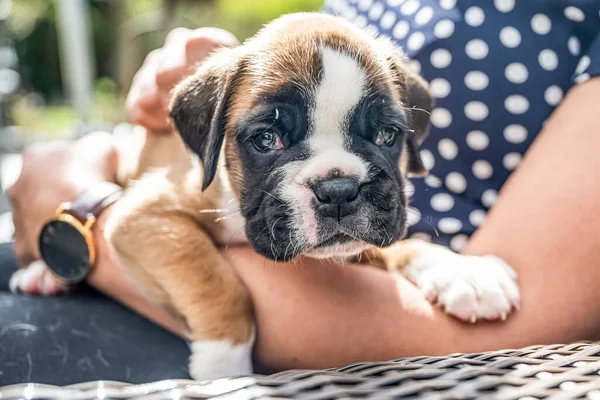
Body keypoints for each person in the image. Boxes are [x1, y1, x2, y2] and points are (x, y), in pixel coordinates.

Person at [4, 0, 600, 385]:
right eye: (269, 137)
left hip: (313, 336)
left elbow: (114, 223)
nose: (338, 184)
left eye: (383, 133)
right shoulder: (225, 118)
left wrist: (69, 213)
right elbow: (145, 219)